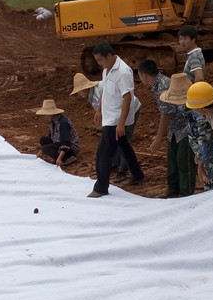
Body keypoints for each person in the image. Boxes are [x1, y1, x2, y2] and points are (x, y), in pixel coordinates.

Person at [87, 43, 145, 198]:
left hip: (115, 119)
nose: (99, 64)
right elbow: (105, 91)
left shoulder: (123, 72)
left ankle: (101, 187)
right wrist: (99, 110)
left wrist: (121, 123)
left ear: (109, 56)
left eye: (100, 60)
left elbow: (127, 98)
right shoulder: (107, 70)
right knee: (124, 146)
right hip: (109, 116)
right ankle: (138, 174)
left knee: (103, 153)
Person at [138, 61, 196, 198]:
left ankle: (186, 194)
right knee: (173, 162)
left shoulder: (163, 86)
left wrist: (158, 138)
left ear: (144, 75)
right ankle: (173, 192)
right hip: (174, 129)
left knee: (184, 162)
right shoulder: (158, 84)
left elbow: (166, 114)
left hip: (185, 128)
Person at [71, 72, 141, 179]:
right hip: (117, 114)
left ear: (84, 89)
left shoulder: (101, 87)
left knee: (123, 140)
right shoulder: (91, 96)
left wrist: (105, 116)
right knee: (116, 139)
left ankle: (124, 170)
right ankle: (115, 164)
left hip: (130, 109)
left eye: (80, 91)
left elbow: (113, 101)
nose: (80, 94)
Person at [161, 77, 213, 190]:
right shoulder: (186, 111)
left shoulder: (199, 113)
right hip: (204, 156)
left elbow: (205, 141)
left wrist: (200, 166)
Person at [35, 99, 79, 167]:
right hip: (58, 143)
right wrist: (42, 149)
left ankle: (68, 157)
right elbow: (50, 136)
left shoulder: (63, 123)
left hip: (69, 147)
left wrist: (59, 158)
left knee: (46, 149)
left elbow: (66, 142)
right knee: (43, 140)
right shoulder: (53, 121)